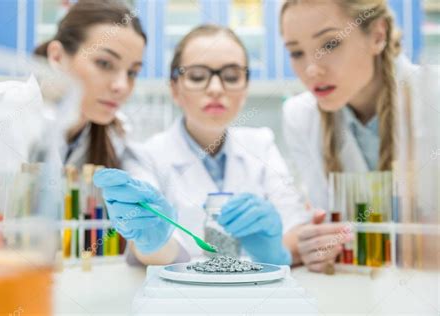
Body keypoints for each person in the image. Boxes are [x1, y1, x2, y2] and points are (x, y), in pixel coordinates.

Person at [93, 25, 309, 266]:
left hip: (258, 293)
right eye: (197, 76)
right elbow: (149, 250)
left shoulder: (262, 144)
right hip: (177, 297)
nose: (216, 89)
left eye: (231, 76)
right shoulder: (144, 156)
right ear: (174, 88)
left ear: (246, 87)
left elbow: (297, 231)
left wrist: (274, 253)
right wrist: (154, 240)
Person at [279, 0, 417, 272]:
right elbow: (326, 224)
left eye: (330, 45)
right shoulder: (300, 117)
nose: (311, 70)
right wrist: (313, 244)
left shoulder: (431, 98)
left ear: (378, 35)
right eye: (296, 53)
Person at [33, 0, 146, 169]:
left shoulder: (116, 135)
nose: (122, 86)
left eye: (132, 73)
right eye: (104, 63)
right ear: (57, 57)